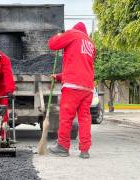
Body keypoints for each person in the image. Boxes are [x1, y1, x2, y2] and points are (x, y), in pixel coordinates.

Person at [48, 22, 96, 159]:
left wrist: (58, 36)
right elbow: (81, 66)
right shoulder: (91, 43)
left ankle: (62, 147)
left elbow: (52, 45)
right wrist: (58, 77)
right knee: (85, 119)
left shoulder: (73, 34)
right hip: (87, 87)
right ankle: (85, 150)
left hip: (73, 87)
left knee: (66, 117)